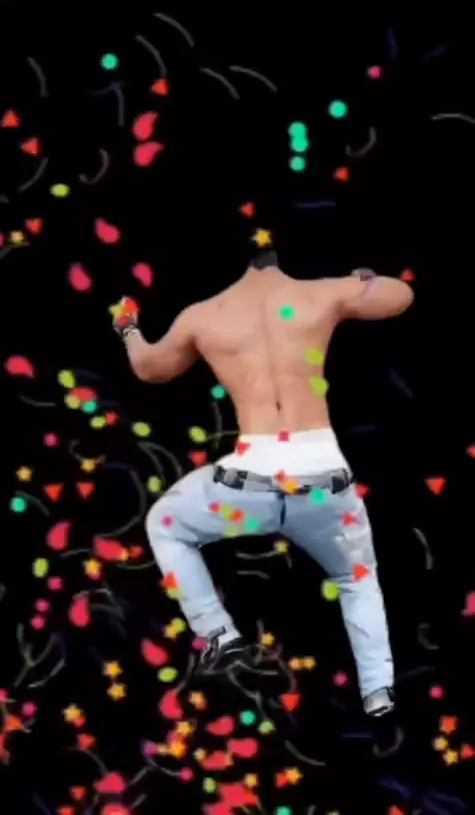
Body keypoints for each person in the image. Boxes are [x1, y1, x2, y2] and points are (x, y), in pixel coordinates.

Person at [112, 244, 414, 720]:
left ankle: (218, 633)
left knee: (165, 522)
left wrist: (128, 327)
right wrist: (365, 279)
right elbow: (401, 297)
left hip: (246, 486)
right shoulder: (320, 294)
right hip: (325, 484)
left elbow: (150, 368)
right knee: (357, 579)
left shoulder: (205, 315)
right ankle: (378, 692)